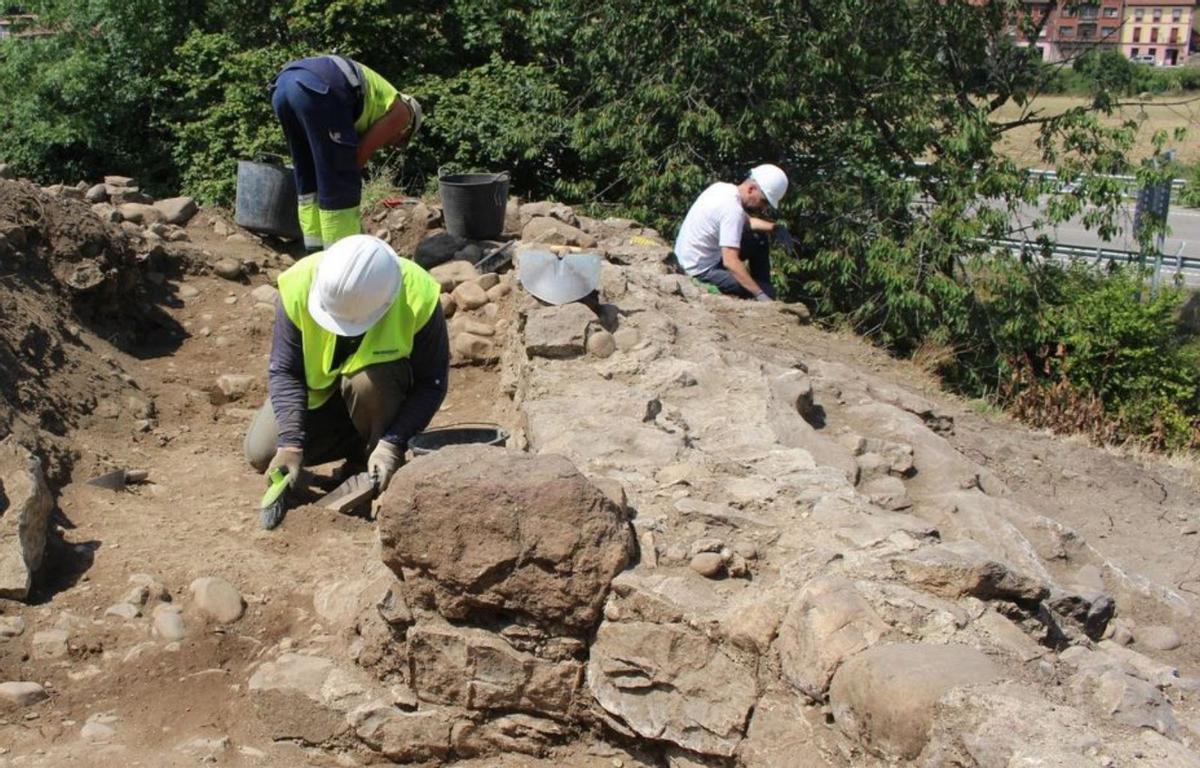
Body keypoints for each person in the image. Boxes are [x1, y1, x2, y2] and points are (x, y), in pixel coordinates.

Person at [244, 235, 448, 529]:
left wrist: (394, 442)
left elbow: (433, 382)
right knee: (260, 452)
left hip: (377, 398)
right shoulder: (300, 283)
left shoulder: (417, 292)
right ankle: (335, 449)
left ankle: (367, 462)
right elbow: (286, 371)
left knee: (367, 381)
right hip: (319, 399)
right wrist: (290, 443)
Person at [270, 55, 422, 252]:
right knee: (341, 180)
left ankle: (314, 255)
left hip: (282, 87)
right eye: (398, 142)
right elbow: (356, 159)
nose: (391, 145)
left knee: (308, 177)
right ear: (406, 131)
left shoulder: (378, 101)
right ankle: (343, 257)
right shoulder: (403, 114)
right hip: (317, 90)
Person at [673, 164, 794, 301]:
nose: (763, 207)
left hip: (688, 259)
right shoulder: (732, 210)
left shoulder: (722, 189)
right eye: (764, 201)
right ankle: (762, 293)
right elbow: (730, 261)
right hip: (699, 272)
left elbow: (748, 222)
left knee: (758, 238)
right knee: (767, 292)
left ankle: (762, 286)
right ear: (751, 189)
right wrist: (760, 294)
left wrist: (775, 228)